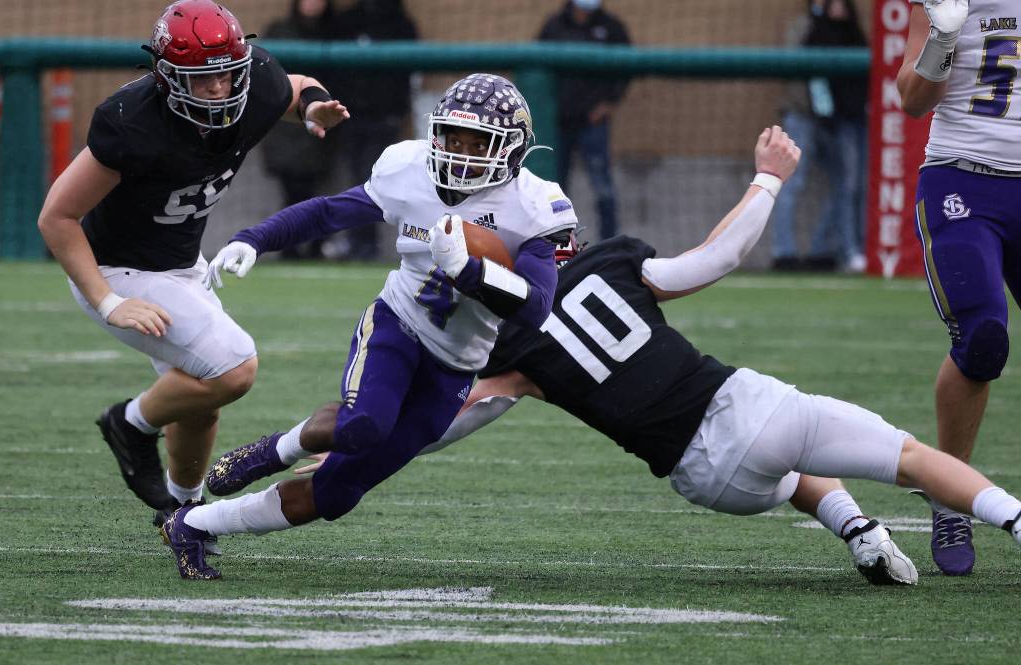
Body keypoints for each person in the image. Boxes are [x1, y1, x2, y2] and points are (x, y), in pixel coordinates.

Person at [408, 126, 1021, 585]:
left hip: (706, 482)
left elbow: (453, 420)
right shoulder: (609, 264)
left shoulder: (510, 344)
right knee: (908, 456)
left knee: (788, 457)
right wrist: (768, 178)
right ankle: (1014, 519)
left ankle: (859, 530)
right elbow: (715, 256)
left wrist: (365, 440)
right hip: (738, 413)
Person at [160, 73, 579, 580]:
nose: (463, 154)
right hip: (397, 324)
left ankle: (195, 523)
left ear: (511, 148)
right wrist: (256, 238)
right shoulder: (409, 169)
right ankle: (275, 450)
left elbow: (535, 308)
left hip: (456, 365)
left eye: (479, 143)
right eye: (453, 138)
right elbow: (330, 213)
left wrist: (469, 271)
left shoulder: (538, 207)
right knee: (364, 423)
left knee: (336, 493)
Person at [35, 0, 349, 546]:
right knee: (233, 368)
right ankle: (129, 424)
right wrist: (110, 302)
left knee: (202, 400)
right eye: (203, 79)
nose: (221, 89)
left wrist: (314, 107)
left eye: (229, 74)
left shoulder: (253, 80)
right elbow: (57, 216)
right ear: (166, 75)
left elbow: (294, 86)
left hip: (181, 265)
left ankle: (182, 513)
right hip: (118, 270)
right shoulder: (130, 121)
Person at [897, 0, 1017, 576]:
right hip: (962, 177)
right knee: (983, 335)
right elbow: (913, 99)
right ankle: (952, 496)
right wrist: (944, 34)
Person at [769, 0, 868, 273]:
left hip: (835, 121)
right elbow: (795, 70)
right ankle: (784, 252)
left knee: (844, 184)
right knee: (790, 181)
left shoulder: (851, 30)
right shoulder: (803, 27)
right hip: (802, 115)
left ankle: (821, 250)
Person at [325, 0, 418, 260]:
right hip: (350, 116)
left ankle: (369, 244)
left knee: (374, 177)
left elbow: (408, 74)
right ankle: (357, 241)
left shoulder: (400, 23)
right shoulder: (347, 20)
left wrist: (398, 112)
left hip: (384, 118)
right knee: (356, 177)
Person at [538, 0, 630, 240]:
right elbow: (538, 67)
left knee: (603, 189)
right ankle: (553, 243)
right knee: (553, 190)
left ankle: (610, 244)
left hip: (594, 122)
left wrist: (609, 103)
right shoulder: (554, 25)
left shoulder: (611, 27)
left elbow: (627, 68)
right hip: (559, 123)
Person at [261, 0, 345, 260]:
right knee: (295, 193)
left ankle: (311, 244)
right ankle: (291, 245)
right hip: (288, 132)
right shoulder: (279, 32)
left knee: (313, 193)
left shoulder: (336, 33)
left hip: (321, 128)